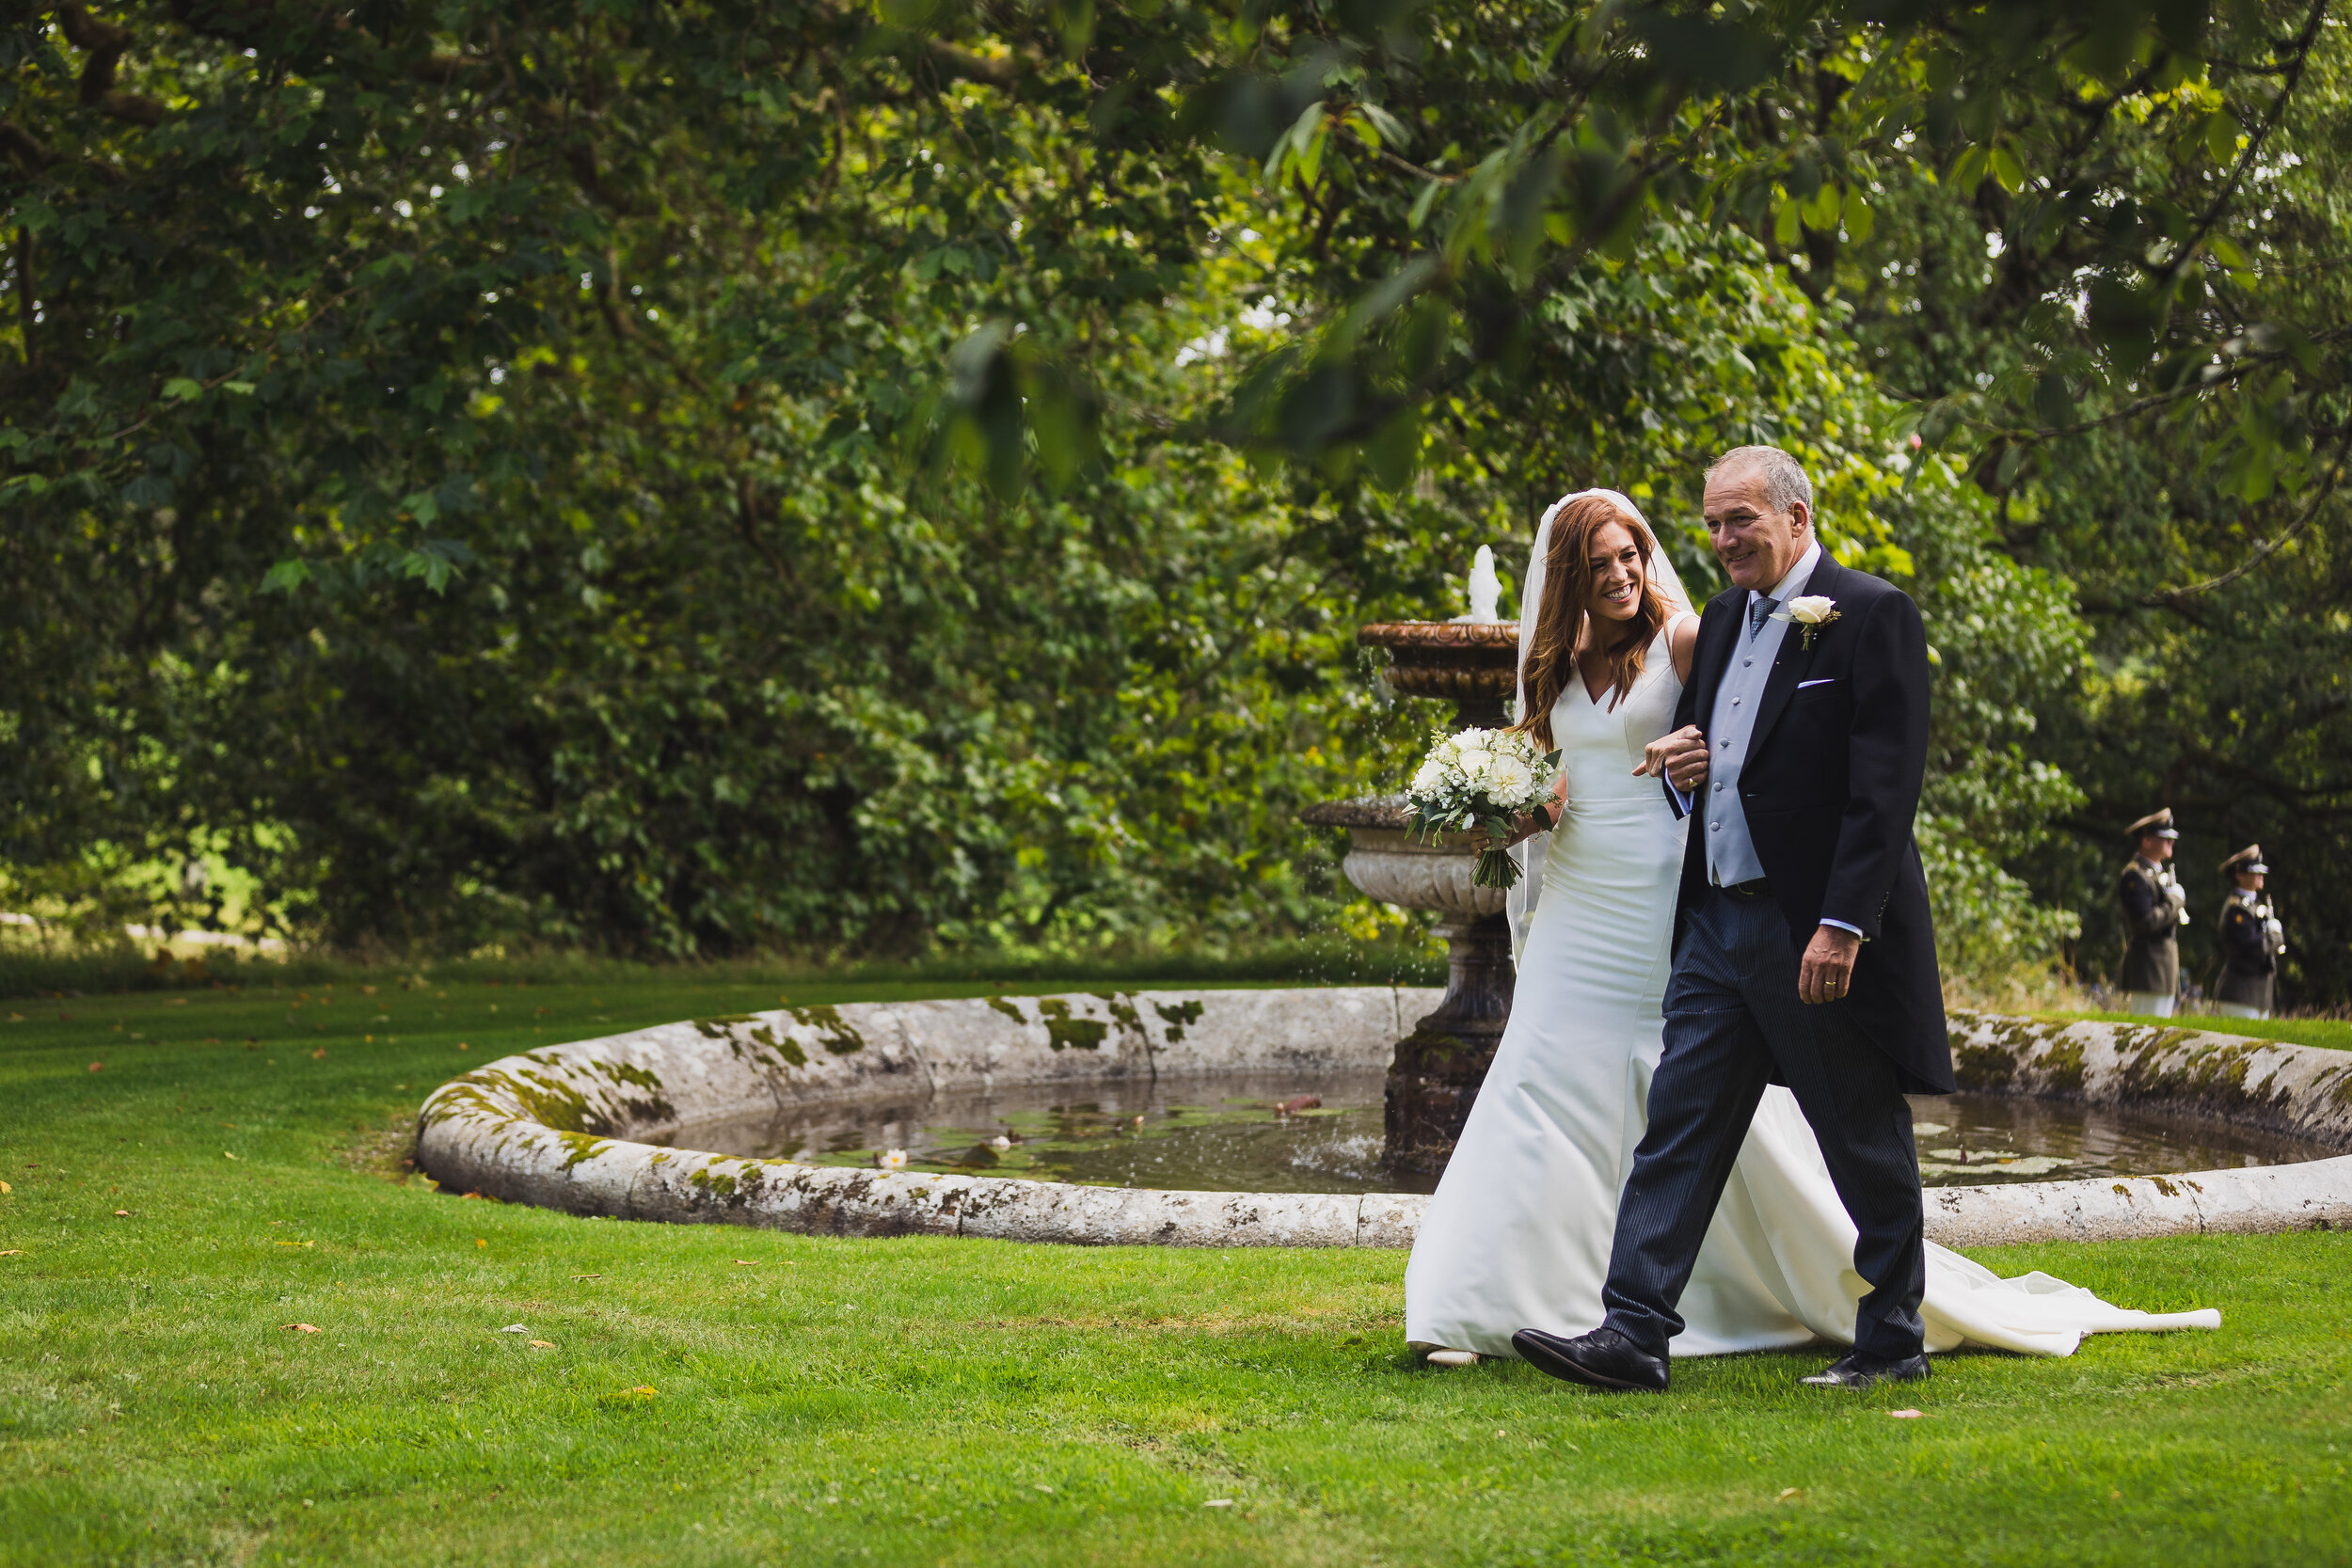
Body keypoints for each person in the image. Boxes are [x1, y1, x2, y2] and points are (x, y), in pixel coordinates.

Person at [1402, 466, 2216, 1381]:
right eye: (1711, 523)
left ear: (1796, 515)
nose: (1720, 538)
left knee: (1856, 1128)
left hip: (1806, 923)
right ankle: (1633, 1329)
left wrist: (1840, 923)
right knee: (1680, 1125)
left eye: (1738, 519)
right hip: (1714, 921)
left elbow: (1883, 788)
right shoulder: (1719, 625)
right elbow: (1722, 761)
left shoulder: (1870, 613)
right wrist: (1685, 756)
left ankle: (1892, 1336)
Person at [2119, 809, 2188, 1018]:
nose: (2171, 843)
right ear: (2147, 841)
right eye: (2164, 838)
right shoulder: (2135, 876)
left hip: (2161, 966)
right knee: (2144, 1031)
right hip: (2148, 966)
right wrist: (2175, 902)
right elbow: (2146, 922)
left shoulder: (2155, 873)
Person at [2213, 846, 2284, 1021]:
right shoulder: (2236, 908)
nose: (2261, 876)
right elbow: (2252, 946)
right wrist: (2275, 937)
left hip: (2258, 995)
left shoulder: (2255, 905)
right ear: (2239, 875)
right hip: (2240, 993)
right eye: (2255, 872)